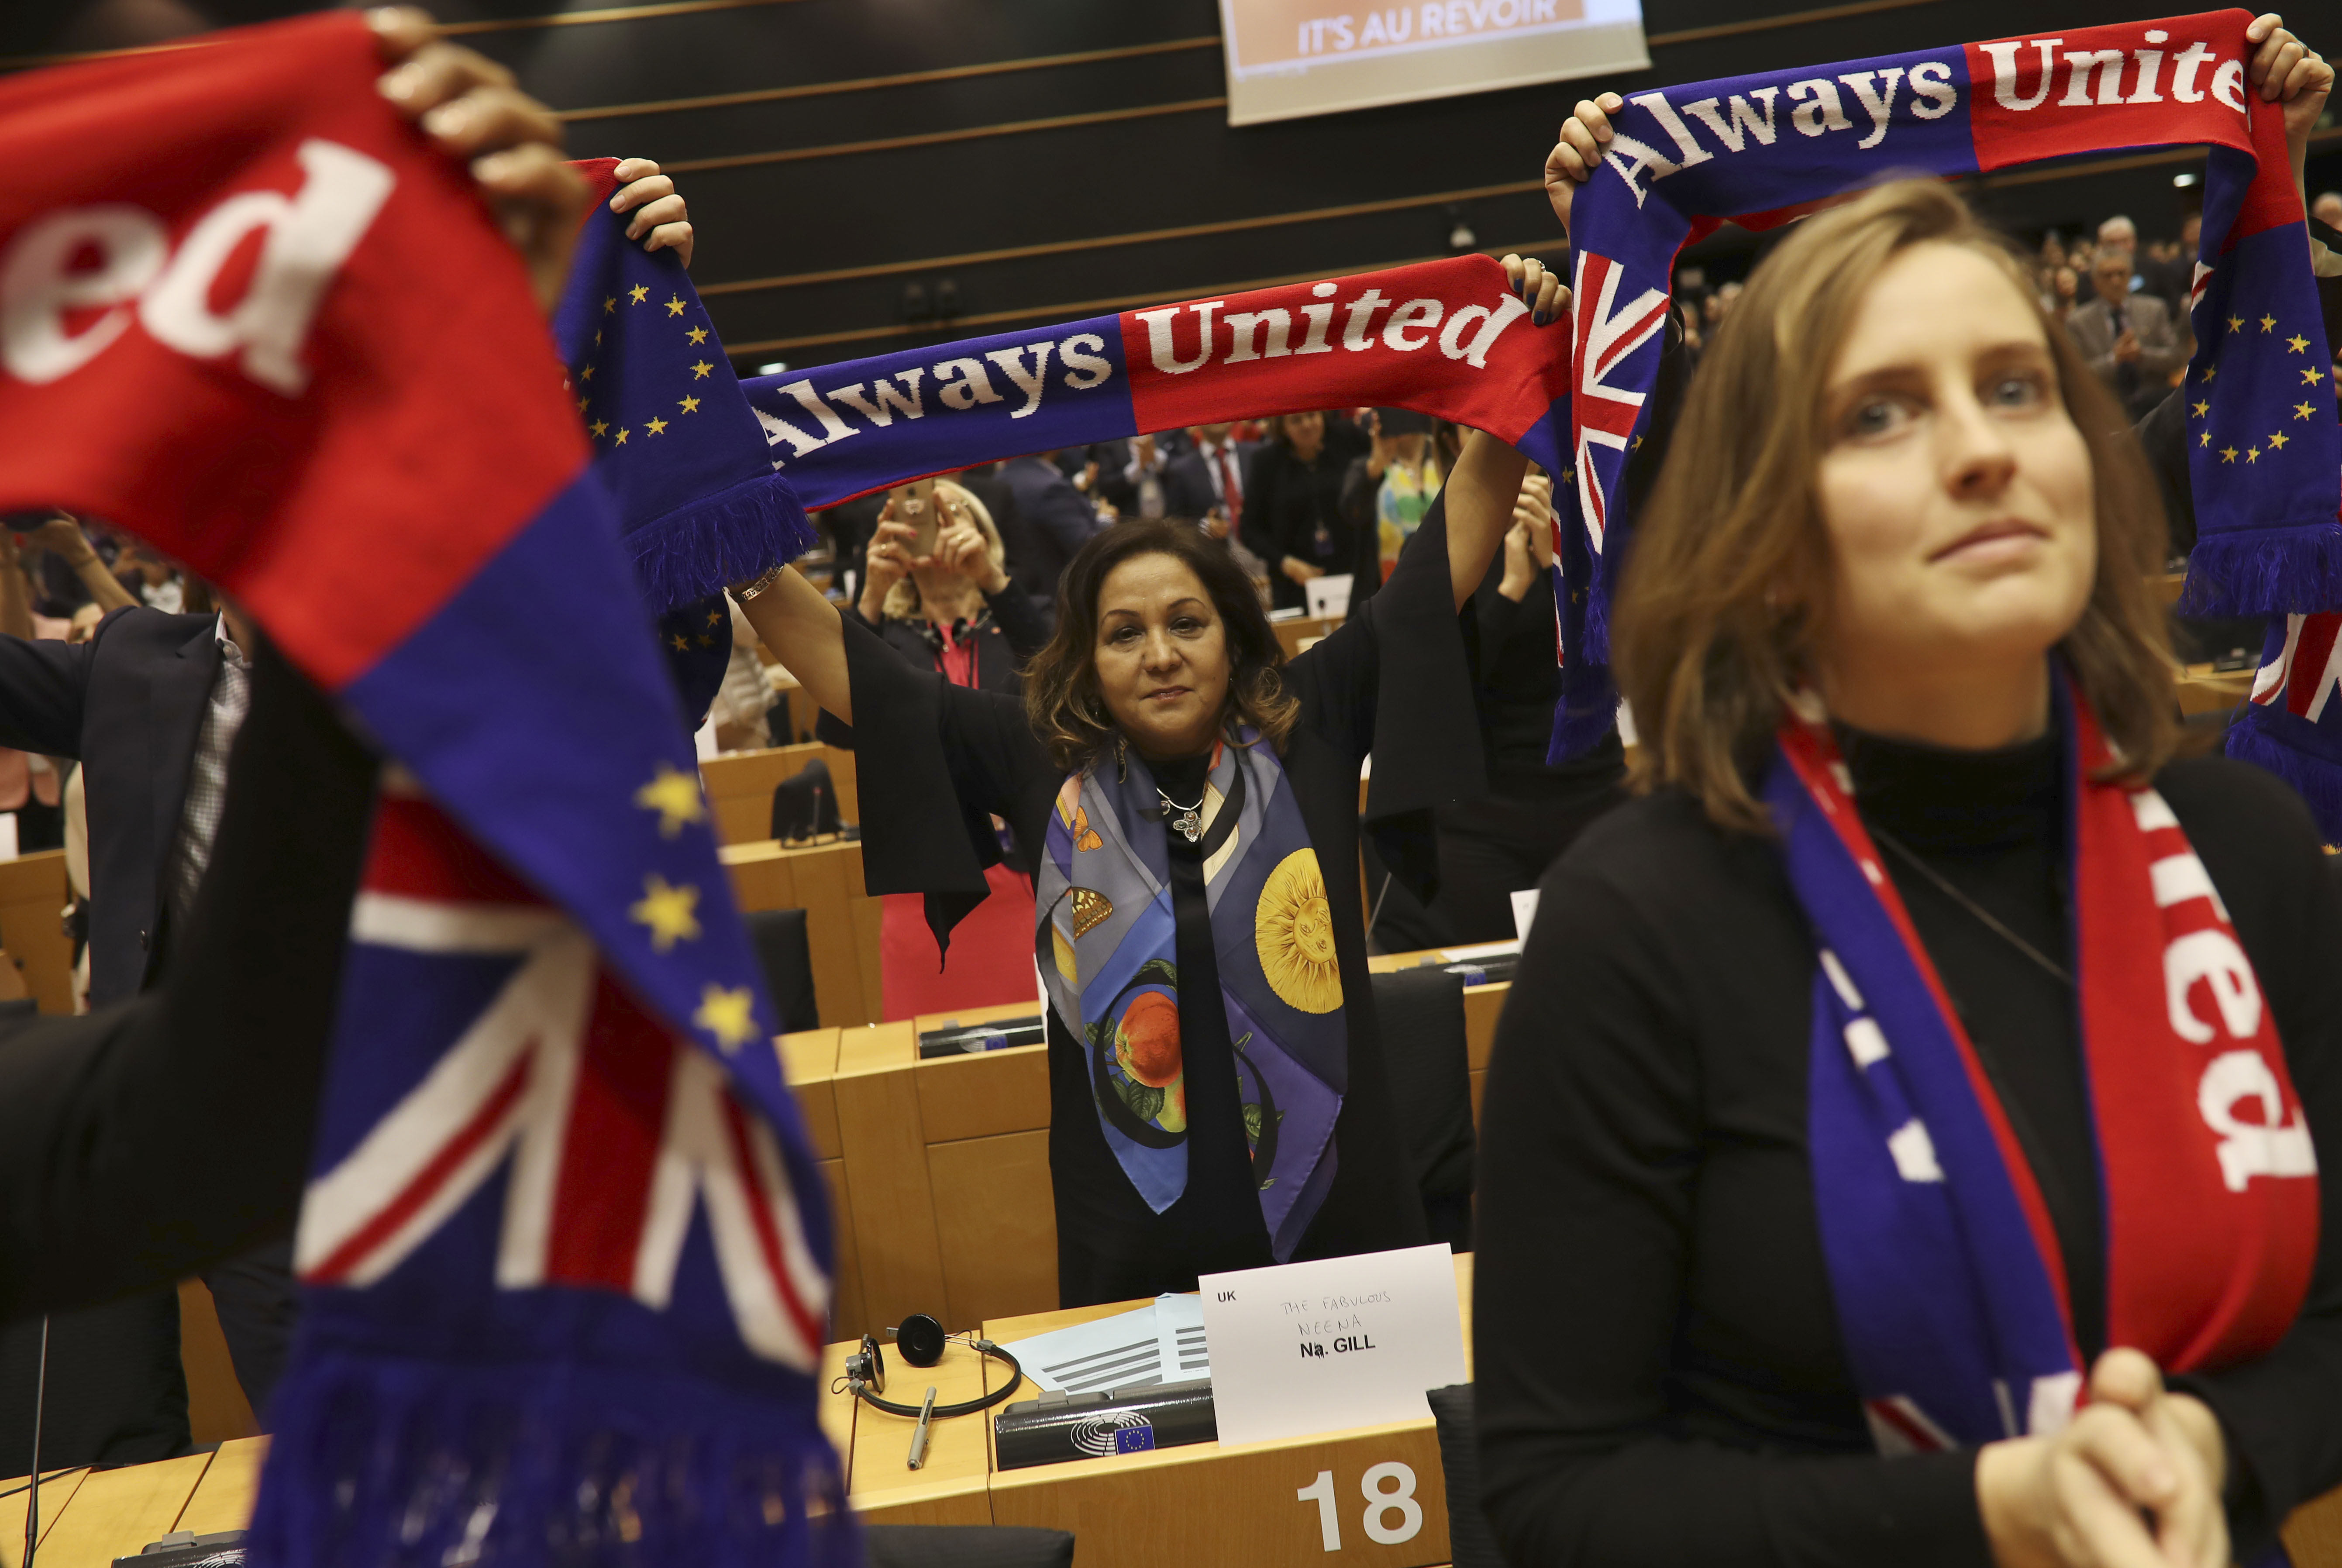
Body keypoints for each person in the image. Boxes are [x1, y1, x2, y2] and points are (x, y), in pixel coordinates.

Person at [1479, 26, 2335, 1563]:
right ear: (1766, 528)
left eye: (2017, 390)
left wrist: (2215, 1442)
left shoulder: (2252, 855)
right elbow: (1555, 1499)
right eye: (1879, 413)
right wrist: (1989, 1508)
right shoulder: (1637, 926)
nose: (1978, 452)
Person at [731, 256, 1565, 1303]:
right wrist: (724, 518)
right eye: (1123, 633)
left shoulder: (1309, 717)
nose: (1160, 654)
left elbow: (1444, 558)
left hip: (1342, 1230)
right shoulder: (1035, 756)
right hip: (1130, 1235)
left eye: (1186, 623)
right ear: (1086, 657)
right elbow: (848, 671)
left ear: (1233, 638)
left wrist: (1511, 369)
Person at [0, 0, 579, 1458]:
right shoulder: (135, 661)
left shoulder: (449, 657)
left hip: (436, 1104)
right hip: (222, 1143)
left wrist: (450, 375)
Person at [817, 483, 1052, 1019]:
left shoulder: (1020, 620)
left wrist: (990, 578)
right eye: (920, 518)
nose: (934, 530)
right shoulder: (884, 641)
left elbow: (1063, 687)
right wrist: (871, 592)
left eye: (950, 518)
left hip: (1027, 881)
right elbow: (836, 727)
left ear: (982, 533)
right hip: (926, 893)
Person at [1431, 466, 1628, 944]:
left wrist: (1565, 576)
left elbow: (1625, 663)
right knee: (1492, 993)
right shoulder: (1447, 537)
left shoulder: (1596, 516)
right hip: (1485, 812)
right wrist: (1510, 589)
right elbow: (1441, 689)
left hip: (1592, 792)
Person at [1240, 409, 1372, 612]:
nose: (1307, 425)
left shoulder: (1349, 441)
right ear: (1282, 426)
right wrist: (1286, 563)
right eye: (1296, 420)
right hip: (1294, 582)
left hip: (1354, 571)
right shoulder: (1265, 462)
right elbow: (1249, 529)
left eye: (1312, 416)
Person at [2065, 248, 2186, 419]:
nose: (2116, 281)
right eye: (2107, 275)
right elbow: (2078, 374)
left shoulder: (2154, 309)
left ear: (2131, 276)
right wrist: (2114, 359)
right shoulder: (2078, 321)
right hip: (2106, 407)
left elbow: (2176, 357)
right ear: (2095, 283)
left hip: (2156, 405)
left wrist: (2141, 355)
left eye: (2121, 274)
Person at [1340, 409, 1444, 590]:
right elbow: (1351, 515)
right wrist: (1375, 468)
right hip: (1384, 588)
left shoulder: (1443, 459)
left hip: (1444, 580)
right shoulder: (1367, 468)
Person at [1001, 449, 1106, 611]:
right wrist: (1106, 520)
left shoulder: (1002, 477)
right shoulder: (1050, 487)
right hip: (1057, 601)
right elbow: (1090, 546)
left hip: (1017, 598)